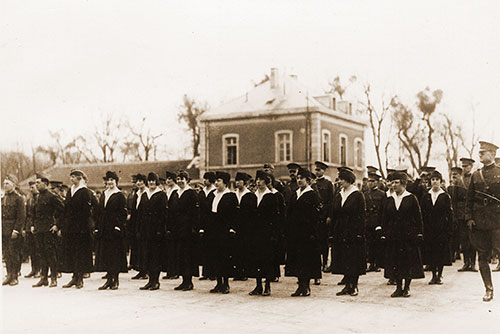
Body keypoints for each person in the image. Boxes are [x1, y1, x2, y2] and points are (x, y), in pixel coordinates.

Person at [465, 141, 500, 302]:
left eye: (483, 152)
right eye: (479, 152)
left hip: (497, 221)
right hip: (479, 222)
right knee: (482, 257)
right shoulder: (475, 175)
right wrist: (470, 218)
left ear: (493, 154)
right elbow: (469, 200)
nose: (480, 154)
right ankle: (489, 289)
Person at [381, 171, 424, 298]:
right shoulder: (389, 199)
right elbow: (385, 218)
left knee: (407, 261)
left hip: (408, 236)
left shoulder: (411, 198)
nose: (394, 185)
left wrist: (419, 233)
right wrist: (384, 233)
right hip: (393, 236)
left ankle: (407, 287)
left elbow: (418, 218)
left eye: (397, 183)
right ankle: (398, 287)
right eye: (392, 182)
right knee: (395, 261)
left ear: (404, 184)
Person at [285, 168, 322, 297]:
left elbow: (316, 217)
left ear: (308, 180)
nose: (299, 180)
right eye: (298, 178)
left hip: (307, 234)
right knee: (297, 260)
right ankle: (300, 286)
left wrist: (312, 232)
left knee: (306, 260)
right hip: (295, 233)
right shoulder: (295, 194)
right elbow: (289, 213)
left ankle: (306, 287)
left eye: (302, 178)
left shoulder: (312, 195)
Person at [331, 167, 366, 296]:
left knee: (353, 259)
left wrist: (359, 233)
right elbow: (335, 213)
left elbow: (361, 216)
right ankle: (347, 285)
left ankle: (354, 286)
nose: (339, 182)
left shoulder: (357, 195)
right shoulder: (339, 194)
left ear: (348, 180)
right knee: (344, 258)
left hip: (353, 231)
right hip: (341, 231)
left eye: (342, 179)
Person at [202, 171, 238, 294]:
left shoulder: (230, 196)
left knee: (224, 258)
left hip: (224, 231)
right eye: (216, 181)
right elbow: (207, 212)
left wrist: (232, 228)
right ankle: (218, 283)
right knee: (215, 257)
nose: (216, 183)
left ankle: (226, 283)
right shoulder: (212, 195)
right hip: (213, 230)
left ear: (225, 183)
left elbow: (233, 215)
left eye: (219, 181)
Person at [60, 170, 96, 289]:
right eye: (71, 177)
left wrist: (85, 225)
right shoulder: (71, 190)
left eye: (74, 177)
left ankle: (80, 278)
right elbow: (66, 209)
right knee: (72, 252)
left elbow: (87, 211)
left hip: (81, 228)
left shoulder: (85, 191)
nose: (71, 179)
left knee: (81, 253)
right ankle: (74, 277)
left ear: (80, 178)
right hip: (70, 227)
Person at [246, 170, 279, 296]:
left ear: (267, 181)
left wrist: (273, 234)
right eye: (257, 180)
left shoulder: (271, 197)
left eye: (261, 180)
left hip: (266, 234)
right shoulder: (253, 196)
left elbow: (275, 218)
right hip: (255, 234)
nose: (258, 182)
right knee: (256, 259)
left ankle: (267, 286)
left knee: (267, 260)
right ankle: (258, 285)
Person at [94, 171, 128, 290]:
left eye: (112, 180)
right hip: (104, 228)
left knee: (115, 255)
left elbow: (123, 213)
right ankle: (108, 279)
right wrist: (98, 227)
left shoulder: (119, 195)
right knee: (106, 255)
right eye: (108, 180)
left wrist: (118, 226)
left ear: (116, 181)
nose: (110, 182)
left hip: (114, 229)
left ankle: (115, 280)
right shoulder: (104, 194)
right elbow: (99, 212)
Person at [420, 170, 453, 285]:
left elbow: (449, 214)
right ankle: (433, 275)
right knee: (431, 252)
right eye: (433, 179)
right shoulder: (426, 196)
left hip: (441, 229)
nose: (435, 182)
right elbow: (422, 213)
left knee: (440, 252)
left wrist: (449, 229)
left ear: (440, 181)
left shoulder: (445, 196)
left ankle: (439, 275)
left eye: (437, 180)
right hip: (429, 229)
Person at [32, 177, 64, 288]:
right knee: (41, 254)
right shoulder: (37, 197)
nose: (36, 185)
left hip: (49, 229)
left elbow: (63, 211)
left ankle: (54, 278)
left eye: (38, 183)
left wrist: (57, 225)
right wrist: (33, 225)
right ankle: (43, 278)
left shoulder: (52, 197)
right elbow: (34, 213)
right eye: (35, 183)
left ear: (45, 184)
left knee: (51, 254)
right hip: (39, 229)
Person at [171, 170, 200, 291]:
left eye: (182, 179)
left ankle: (189, 281)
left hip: (188, 229)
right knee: (180, 255)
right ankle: (183, 280)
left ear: (187, 180)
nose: (180, 181)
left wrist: (194, 227)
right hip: (178, 229)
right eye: (178, 179)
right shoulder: (175, 193)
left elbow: (195, 213)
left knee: (188, 255)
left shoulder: (191, 193)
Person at [139, 172, 167, 291]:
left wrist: (161, 230)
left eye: (153, 181)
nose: (151, 183)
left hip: (156, 231)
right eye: (149, 181)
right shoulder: (145, 195)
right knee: (147, 255)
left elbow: (164, 214)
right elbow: (140, 213)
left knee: (156, 256)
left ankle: (156, 281)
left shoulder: (161, 195)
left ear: (157, 182)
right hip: (146, 230)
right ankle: (150, 281)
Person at [448, 167, 477, 272]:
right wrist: (455, 215)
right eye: (463, 166)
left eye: (467, 166)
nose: (465, 168)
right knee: (464, 240)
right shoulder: (458, 182)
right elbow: (454, 200)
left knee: (472, 240)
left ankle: (473, 264)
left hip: (471, 215)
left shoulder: (474, 178)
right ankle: (466, 263)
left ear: (471, 166)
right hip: (460, 215)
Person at [2, 174, 26, 286]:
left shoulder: (19, 198)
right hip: (3, 230)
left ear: (14, 185)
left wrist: (16, 230)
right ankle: (9, 274)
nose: (5, 185)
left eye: (7, 183)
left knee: (14, 254)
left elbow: (21, 216)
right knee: (6, 254)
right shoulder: (3, 198)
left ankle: (15, 276)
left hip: (13, 230)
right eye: (4, 183)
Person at [233, 172, 256, 281]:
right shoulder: (234, 194)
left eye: (240, 181)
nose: (237, 183)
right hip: (235, 225)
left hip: (246, 226)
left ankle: (245, 271)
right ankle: (237, 271)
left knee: (245, 248)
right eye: (236, 181)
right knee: (236, 249)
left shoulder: (250, 195)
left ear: (245, 182)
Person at [313, 161, 334, 275]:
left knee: (324, 241)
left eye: (319, 170)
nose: (317, 172)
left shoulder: (328, 184)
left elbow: (331, 201)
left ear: (323, 171)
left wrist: (329, 215)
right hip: (316, 216)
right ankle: (318, 263)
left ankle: (325, 262)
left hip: (325, 215)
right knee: (316, 240)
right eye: (316, 170)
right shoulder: (313, 184)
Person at [364, 172, 386, 272]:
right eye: (369, 181)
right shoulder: (365, 194)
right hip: (368, 222)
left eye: (372, 181)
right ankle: (371, 263)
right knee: (369, 244)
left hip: (377, 222)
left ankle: (377, 264)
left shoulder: (382, 194)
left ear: (377, 182)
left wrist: (381, 223)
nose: (370, 183)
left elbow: (383, 210)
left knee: (377, 244)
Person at [198, 172, 216, 280]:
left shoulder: (214, 192)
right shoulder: (202, 193)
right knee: (204, 248)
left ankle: (213, 272)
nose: (204, 181)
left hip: (212, 223)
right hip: (204, 222)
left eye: (206, 179)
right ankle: (206, 272)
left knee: (212, 248)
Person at [163, 171, 180, 279]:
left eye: (170, 178)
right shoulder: (168, 191)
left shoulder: (176, 191)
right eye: (167, 179)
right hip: (168, 222)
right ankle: (170, 271)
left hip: (175, 223)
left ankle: (175, 271)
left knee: (175, 248)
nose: (168, 180)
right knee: (168, 248)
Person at [24, 180, 41, 278]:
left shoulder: (40, 198)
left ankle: (39, 270)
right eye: (30, 188)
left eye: (33, 187)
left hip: (37, 225)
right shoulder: (29, 199)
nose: (31, 189)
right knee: (31, 249)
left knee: (38, 249)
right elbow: (27, 214)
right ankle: (34, 269)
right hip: (29, 225)